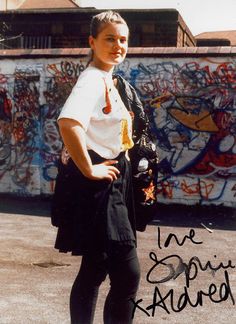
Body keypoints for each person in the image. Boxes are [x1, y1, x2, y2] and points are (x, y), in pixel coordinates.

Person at [52, 10, 143, 324]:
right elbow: (68, 123)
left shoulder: (107, 77)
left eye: (123, 39)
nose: (118, 45)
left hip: (115, 180)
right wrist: (90, 169)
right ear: (92, 41)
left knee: (95, 268)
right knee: (127, 275)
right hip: (103, 186)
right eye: (109, 39)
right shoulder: (92, 79)